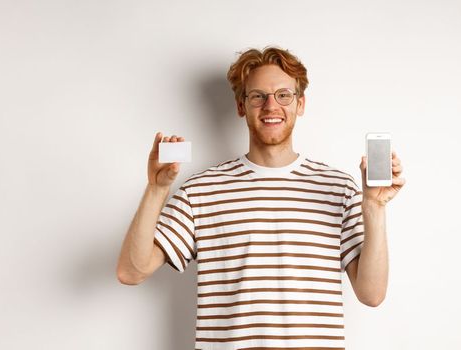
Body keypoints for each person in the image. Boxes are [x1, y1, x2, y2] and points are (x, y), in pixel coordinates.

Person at [116, 46, 405, 349]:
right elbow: (131, 271)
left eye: (283, 95)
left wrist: (374, 205)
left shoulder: (339, 189)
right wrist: (157, 189)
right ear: (241, 106)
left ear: (300, 103)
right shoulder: (200, 191)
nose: (271, 106)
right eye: (258, 96)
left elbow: (371, 294)